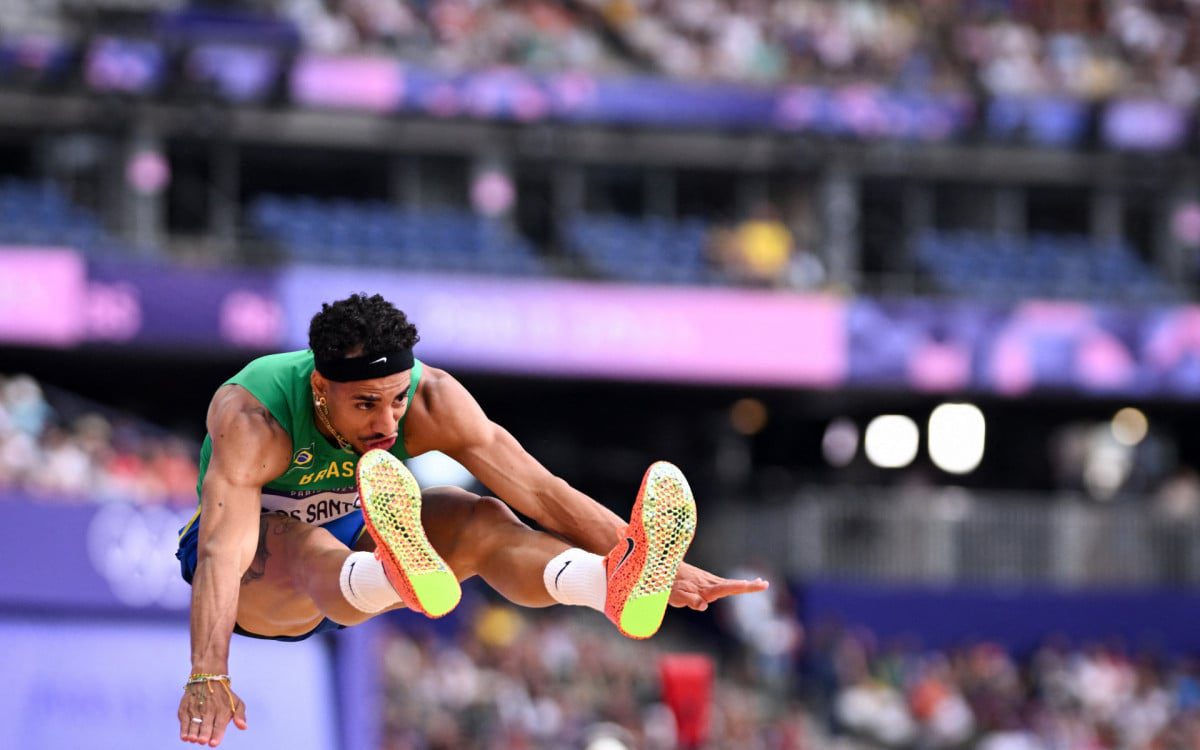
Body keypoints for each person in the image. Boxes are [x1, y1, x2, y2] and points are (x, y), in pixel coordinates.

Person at [175, 293, 768, 747]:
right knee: (299, 541)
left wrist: (660, 568)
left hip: (359, 545)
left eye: (396, 397)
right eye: (365, 404)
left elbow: (540, 490)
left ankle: (606, 584)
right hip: (264, 581)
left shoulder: (431, 398)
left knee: (482, 518)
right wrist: (209, 673)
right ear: (321, 388)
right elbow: (222, 554)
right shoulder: (256, 418)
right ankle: (392, 574)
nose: (388, 422)